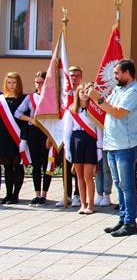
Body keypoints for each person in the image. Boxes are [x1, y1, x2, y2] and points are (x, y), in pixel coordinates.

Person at [89, 59, 137, 237]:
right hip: (112, 143)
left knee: (127, 185)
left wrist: (97, 98)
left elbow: (118, 112)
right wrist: (96, 96)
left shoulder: (133, 91)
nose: (115, 76)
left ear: (127, 73)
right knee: (119, 184)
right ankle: (122, 219)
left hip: (125, 145)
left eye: (117, 73)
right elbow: (107, 106)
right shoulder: (119, 89)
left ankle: (130, 222)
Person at [63, 83, 104, 214]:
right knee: (79, 175)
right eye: (82, 92)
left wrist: (99, 147)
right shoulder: (72, 110)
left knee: (88, 176)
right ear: (77, 94)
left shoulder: (94, 109)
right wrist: (67, 149)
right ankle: (82, 204)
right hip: (76, 142)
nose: (85, 94)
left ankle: (91, 205)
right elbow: (67, 131)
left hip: (90, 142)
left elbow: (99, 129)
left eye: (87, 92)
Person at [14, 71, 51, 205]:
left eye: (42, 82)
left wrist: (51, 136)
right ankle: (37, 194)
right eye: (37, 82)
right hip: (34, 132)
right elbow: (17, 113)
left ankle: (44, 194)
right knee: (36, 164)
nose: (39, 85)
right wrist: (30, 119)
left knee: (47, 163)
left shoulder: (51, 98)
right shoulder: (30, 98)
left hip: (47, 132)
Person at [58, 65, 84, 208]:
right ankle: (66, 194)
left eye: (77, 75)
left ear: (81, 77)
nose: (74, 78)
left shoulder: (82, 92)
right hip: (63, 133)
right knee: (66, 166)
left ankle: (77, 195)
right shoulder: (62, 94)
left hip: (78, 134)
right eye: (72, 75)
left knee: (78, 166)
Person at [0, 72, 26, 204]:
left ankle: (15, 195)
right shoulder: (1, 99)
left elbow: (24, 121)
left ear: (18, 83)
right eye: (9, 82)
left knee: (17, 165)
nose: (11, 85)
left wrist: (24, 139)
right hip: (3, 137)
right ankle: (8, 194)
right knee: (7, 166)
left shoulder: (23, 99)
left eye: (14, 83)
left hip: (18, 137)